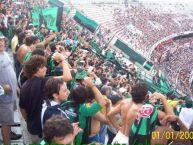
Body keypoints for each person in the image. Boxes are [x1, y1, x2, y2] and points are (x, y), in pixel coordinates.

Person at [19, 53, 72, 143]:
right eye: (42, 66)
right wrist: (63, 59)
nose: (45, 68)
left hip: (31, 128)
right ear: (34, 69)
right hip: (42, 130)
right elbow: (68, 76)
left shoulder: (24, 85)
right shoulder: (44, 81)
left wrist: (27, 120)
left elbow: (22, 109)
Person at [0, 32, 17, 145]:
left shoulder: (4, 53)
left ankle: (8, 136)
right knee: (6, 123)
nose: (0, 43)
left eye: (1, 40)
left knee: (9, 121)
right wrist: (1, 87)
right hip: (4, 98)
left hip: (11, 95)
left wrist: (16, 87)